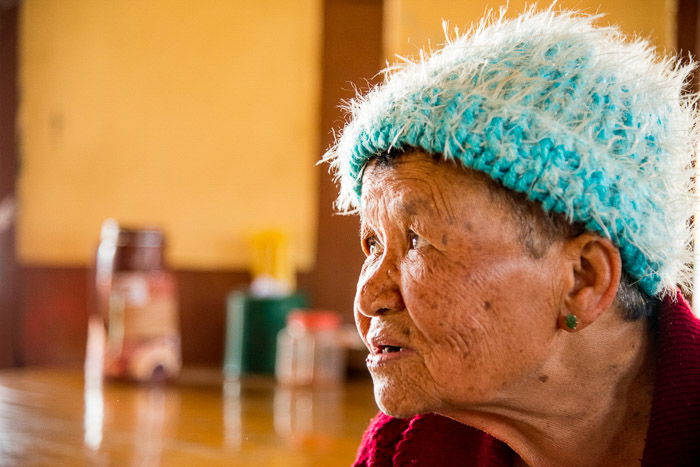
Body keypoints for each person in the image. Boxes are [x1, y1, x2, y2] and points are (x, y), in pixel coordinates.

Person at [324, 7, 700, 466]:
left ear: (583, 279)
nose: (368, 297)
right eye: (373, 245)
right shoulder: (410, 446)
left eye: (417, 240)